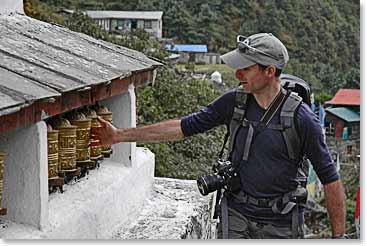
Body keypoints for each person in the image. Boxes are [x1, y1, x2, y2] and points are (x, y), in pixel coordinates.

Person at [93, 33, 346, 239]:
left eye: (245, 69)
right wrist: (119, 135)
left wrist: (339, 238)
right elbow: (183, 127)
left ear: (270, 71)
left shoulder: (302, 119)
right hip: (236, 214)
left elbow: (330, 179)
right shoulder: (234, 103)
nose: (237, 75)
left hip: (281, 222)